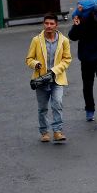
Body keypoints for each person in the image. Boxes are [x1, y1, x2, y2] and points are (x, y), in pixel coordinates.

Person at [25, 14, 72, 143]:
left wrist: (55, 71)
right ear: (43, 24)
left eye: (51, 24)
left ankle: (57, 131)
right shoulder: (36, 40)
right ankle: (44, 132)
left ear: (56, 25)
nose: (49, 26)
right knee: (42, 108)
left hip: (57, 79)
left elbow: (67, 59)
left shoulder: (64, 41)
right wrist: (35, 64)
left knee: (57, 103)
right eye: (46, 23)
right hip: (41, 80)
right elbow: (29, 59)